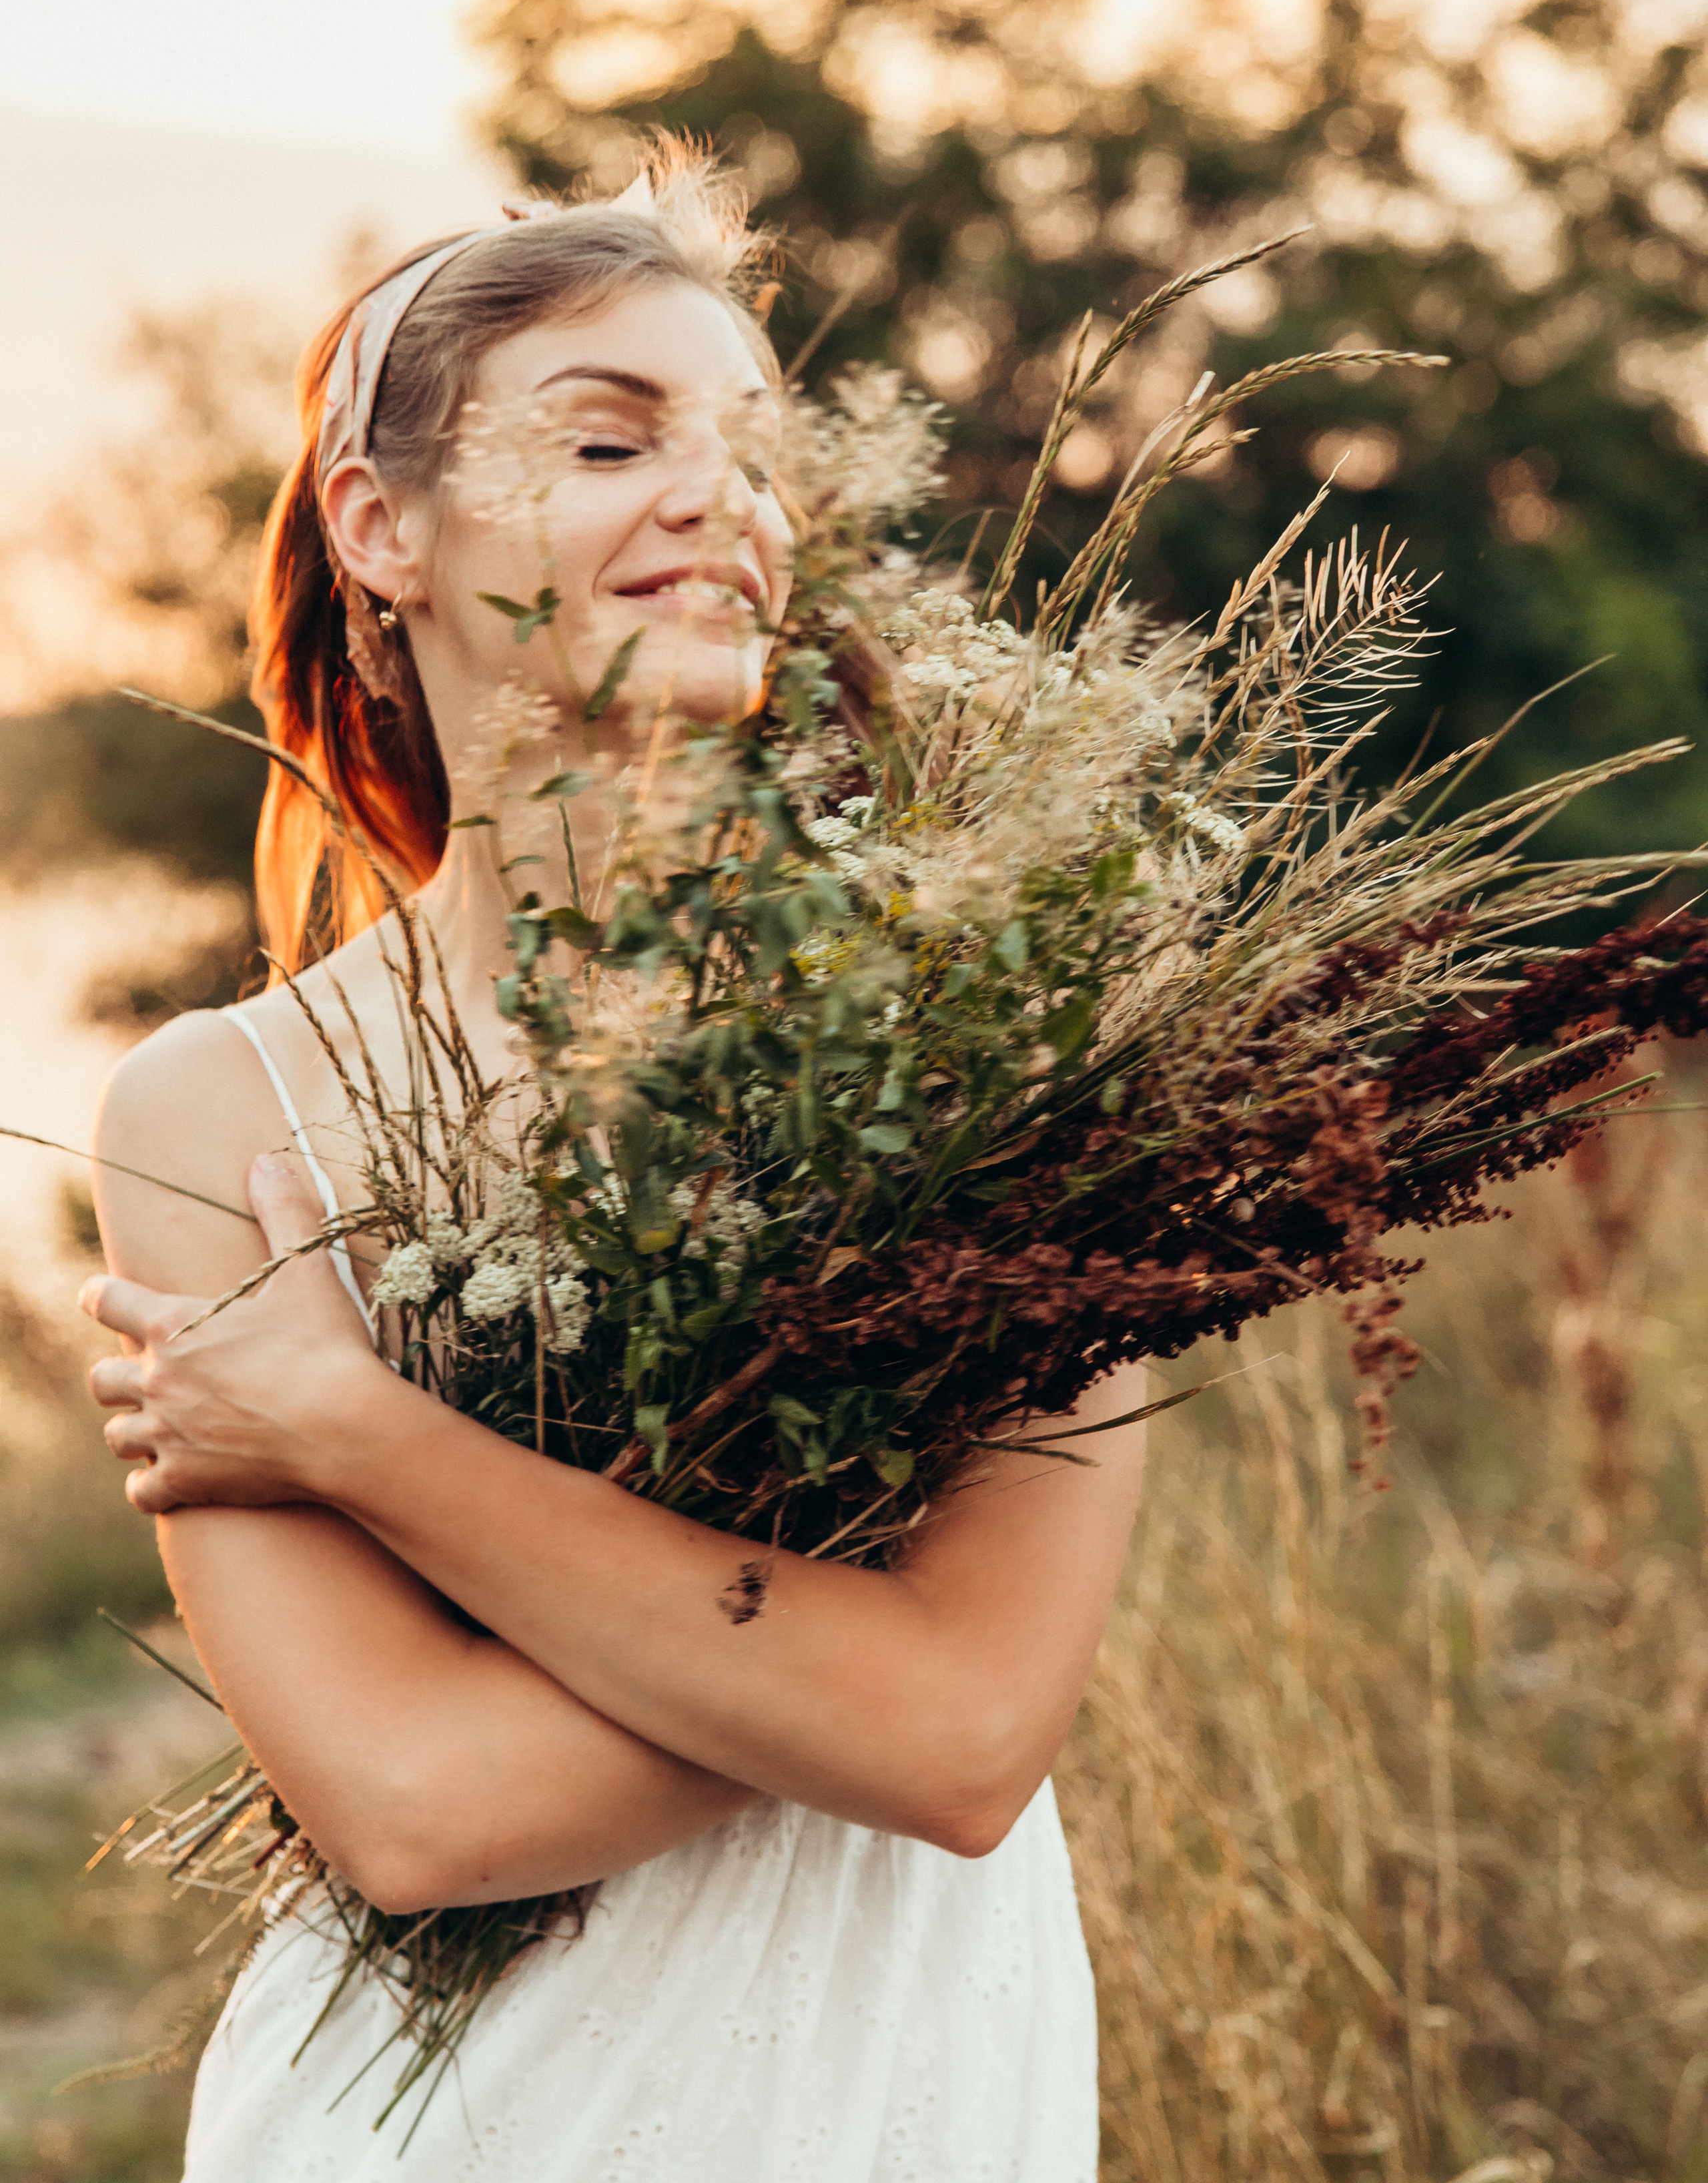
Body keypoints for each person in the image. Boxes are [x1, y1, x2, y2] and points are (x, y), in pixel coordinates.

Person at [81, 145, 1148, 2181]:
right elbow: (406, 1805)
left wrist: (352, 1432)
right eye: (609, 436)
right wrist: (830, 1659)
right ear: (380, 529)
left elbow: (965, 1744)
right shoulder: (220, 1111)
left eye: (752, 454)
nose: (721, 504)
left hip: (901, 2081)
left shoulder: (1009, 1045)